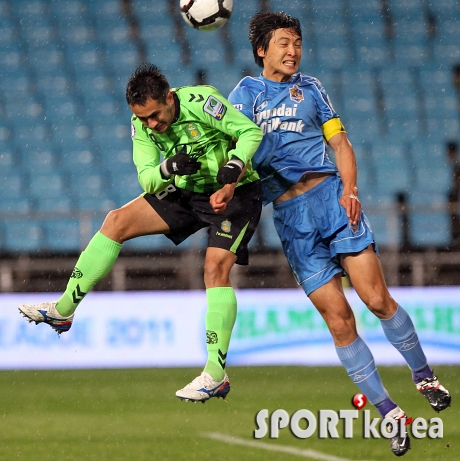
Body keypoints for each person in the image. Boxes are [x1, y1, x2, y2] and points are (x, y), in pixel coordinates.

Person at [228, 11, 451, 456]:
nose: (293, 51)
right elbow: (237, 148)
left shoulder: (311, 89)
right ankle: (390, 413)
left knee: (375, 299)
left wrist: (350, 189)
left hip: (332, 200)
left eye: (297, 43)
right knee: (339, 320)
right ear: (261, 50)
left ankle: (424, 376)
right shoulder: (245, 96)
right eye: (284, 43)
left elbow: (340, 143)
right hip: (292, 220)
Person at [19, 63, 263, 403]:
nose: (151, 124)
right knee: (116, 221)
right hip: (187, 191)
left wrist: (233, 170)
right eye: (143, 118)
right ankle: (63, 310)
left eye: (154, 115)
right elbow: (147, 178)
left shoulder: (202, 101)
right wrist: (169, 167)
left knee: (214, 268)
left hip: (235, 193)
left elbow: (250, 132)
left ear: (169, 97)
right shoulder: (142, 125)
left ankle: (215, 374)